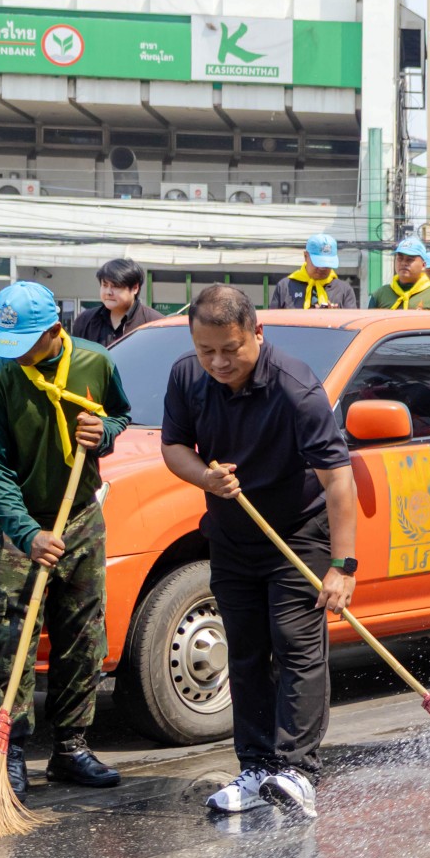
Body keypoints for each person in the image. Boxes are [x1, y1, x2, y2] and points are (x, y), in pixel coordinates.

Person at [161, 285, 357, 817]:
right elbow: (173, 447)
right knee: (244, 652)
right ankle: (255, 768)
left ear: (257, 334)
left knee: (295, 646)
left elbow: (338, 480)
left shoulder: (296, 388)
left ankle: (297, 771)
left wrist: (343, 567)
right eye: (207, 352)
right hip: (232, 533)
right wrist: (205, 476)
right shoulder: (187, 377)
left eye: (231, 349)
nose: (219, 362)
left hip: (297, 535)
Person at [0, 282, 131, 794]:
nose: (13, 355)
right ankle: (9, 748)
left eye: (25, 343)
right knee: (9, 638)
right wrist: (26, 533)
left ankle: (71, 748)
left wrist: (102, 433)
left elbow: (122, 414)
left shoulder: (96, 363)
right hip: (22, 525)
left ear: (55, 333)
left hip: (80, 518)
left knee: (82, 638)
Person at [70, 257, 163, 348]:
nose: (108, 292)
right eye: (105, 285)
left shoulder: (155, 324)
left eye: (116, 286)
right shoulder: (85, 320)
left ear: (135, 288)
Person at [270, 233, 360, 310]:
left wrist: (335, 317)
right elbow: (272, 324)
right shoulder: (285, 287)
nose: (322, 269)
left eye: (326, 264)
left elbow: (353, 325)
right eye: (318, 263)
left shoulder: (344, 291)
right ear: (305, 256)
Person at [370, 235, 430, 310]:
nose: (404, 263)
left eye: (410, 259)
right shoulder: (381, 294)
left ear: (423, 265)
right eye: (400, 258)